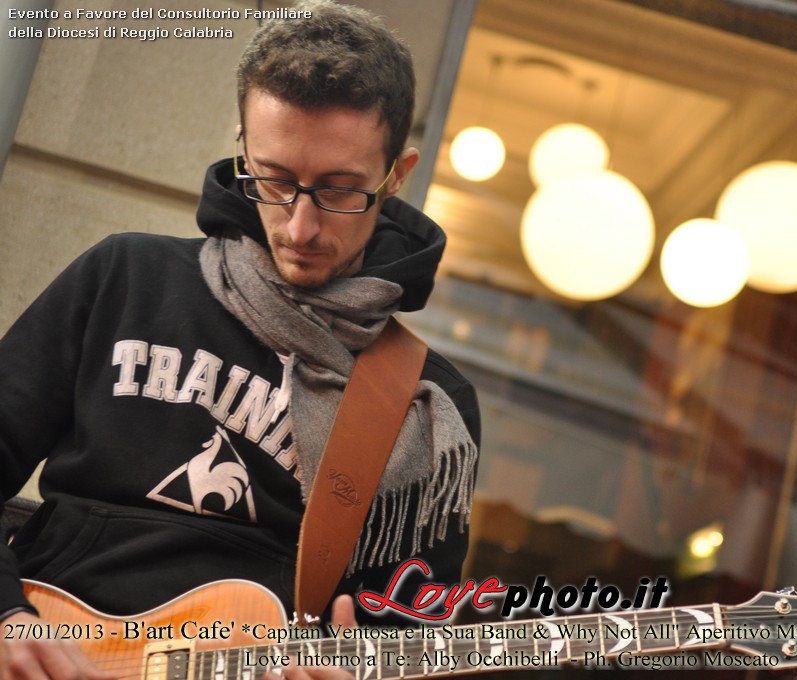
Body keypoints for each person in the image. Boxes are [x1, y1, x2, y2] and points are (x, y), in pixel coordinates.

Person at [0, 1, 480, 677]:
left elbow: (403, 637)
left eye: (341, 190)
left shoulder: (426, 406)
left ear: (397, 175)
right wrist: (6, 618)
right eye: (274, 180)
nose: (301, 226)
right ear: (242, 149)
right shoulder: (126, 276)